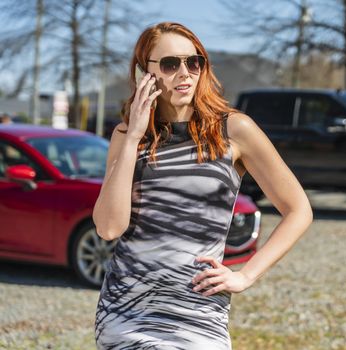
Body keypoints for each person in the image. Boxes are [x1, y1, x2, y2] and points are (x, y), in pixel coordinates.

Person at [93, 22, 313, 349]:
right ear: (144, 73)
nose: (185, 72)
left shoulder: (234, 130)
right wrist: (134, 138)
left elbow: (298, 210)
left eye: (193, 62)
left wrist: (245, 275)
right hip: (126, 312)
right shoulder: (127, 136)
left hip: (198, 315)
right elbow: (110, 227)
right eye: (170, 64)